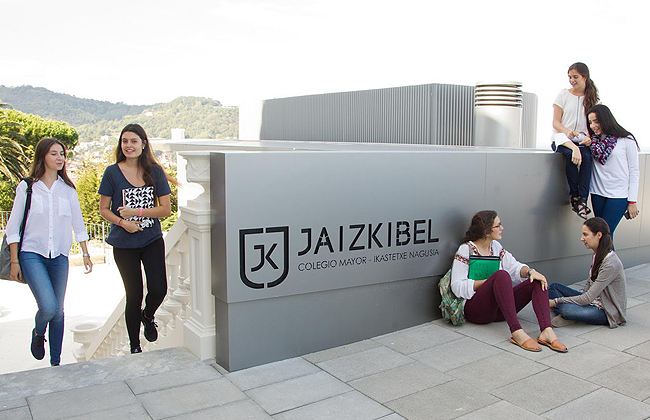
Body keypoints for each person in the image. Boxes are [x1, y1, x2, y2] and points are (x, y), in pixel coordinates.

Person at [6, 138, 93, 366]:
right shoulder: (27, 187)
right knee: (48, 307)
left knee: (59, 311)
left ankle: (56, 362)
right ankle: (38, 332)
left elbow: (79, 223)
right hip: (31, 253)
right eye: (54, 153)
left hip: (59, 256)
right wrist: (15, 261)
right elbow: (13, 228)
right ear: (43, 156)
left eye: (62, 154)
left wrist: (85, 253)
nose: (60, 158)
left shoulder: (68, 191)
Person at [99, 124, 174, 354]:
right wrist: (123, 223)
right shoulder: (112, 172)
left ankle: (148, 316)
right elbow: (104, 209)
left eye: (133, 141)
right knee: (134, 295)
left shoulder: (155, 171)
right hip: (124, 245)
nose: (128, 145)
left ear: (143, 144)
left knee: (159, 289)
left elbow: (165, 210)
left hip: (151, 240)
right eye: (125, 141)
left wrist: (137, 213)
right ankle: (135, 347)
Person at [451, 210, 567, 352]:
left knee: (536, 280)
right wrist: (489, 282)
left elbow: (515, 267)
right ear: (487, 231)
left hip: (499, 311)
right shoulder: (466, 250)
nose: (502, 228)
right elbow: (456, 287)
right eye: (498, 225)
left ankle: (546, 331)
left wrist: (531, 272)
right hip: (476, 311)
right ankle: (516, 331)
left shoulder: (496, 247)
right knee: (501, 276)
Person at [549, 217, 626, 328]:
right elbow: (587, 291)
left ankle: (569, 315)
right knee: (554, 287)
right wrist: (577, 300)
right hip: (592, 300)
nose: (582, 238)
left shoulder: (610, 263)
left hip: (605, 310)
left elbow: (587, 298)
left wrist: (556, 301)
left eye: (585, 235)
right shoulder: (597, 254)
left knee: (566, 309)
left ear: (598, 235)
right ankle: (573, 315)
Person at [552, 62, 600, 219]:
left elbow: (594, 125)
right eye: (570, 77)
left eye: (575, 77)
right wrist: (568, 133)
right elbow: (556, 123)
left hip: (581, 140)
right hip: (562, 138)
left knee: (587, 157)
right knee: (571, 156)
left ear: (585, 77)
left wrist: (589, 138)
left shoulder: (592, 99)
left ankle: (582, 200)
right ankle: (574, 196)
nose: (571, 80)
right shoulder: (563, 95)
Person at [587, 104, 639, 239]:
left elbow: (634, 171)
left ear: (605, 119)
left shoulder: (627, 140)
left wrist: (632, 201)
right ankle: (601, 261)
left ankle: (606, 261)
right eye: (590, 122)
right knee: (600, 236)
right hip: (598, 193)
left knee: (604, 236)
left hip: (618, 195)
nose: (593, 126)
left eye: (596, 121)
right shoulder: (592, 142)